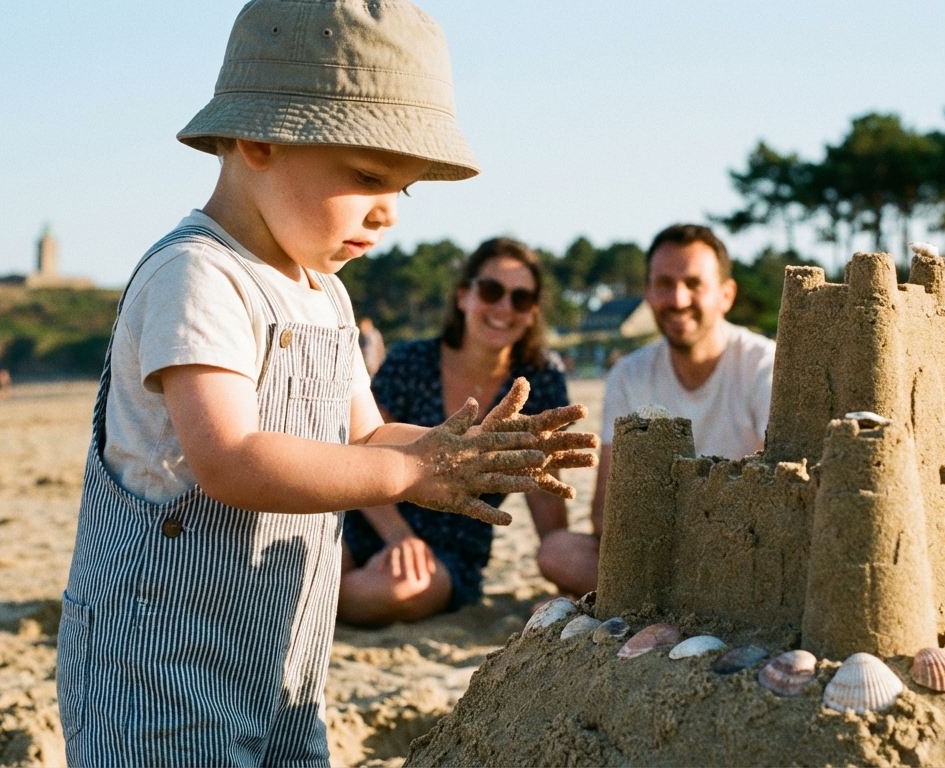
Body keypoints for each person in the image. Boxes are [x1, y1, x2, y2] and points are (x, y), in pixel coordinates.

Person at [54, 4, 597, 766]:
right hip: (156, 667)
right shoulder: (198, 274)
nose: (385, 215)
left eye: (401, 192)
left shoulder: (323, 291)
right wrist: (412, 470)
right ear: (261, 138)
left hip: (280, 660)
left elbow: (366, 435)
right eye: (369, 176)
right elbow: (230, 458)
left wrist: (465, 451)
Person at [340, 238, 591, 625]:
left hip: (452, 547)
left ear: (532, 312)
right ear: (463, 296)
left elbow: (542, 481)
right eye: (492, 291)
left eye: (521, 298)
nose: (504, 308)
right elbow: (363, 448)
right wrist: (398, 536)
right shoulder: (411, 361)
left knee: (391, 591)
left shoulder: (541, 377)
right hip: (371, 519)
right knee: (302, 570)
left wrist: (559, 580)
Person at [536, 224, 775, 596]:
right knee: (556, 552)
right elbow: (606, 517)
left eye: (694, 284)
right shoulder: (629, 374)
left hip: (745, 550)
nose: (678, 299)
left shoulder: (763, 364)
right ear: (647, 292)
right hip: (663, 557)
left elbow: (785, 486)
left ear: (726, 295)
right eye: (664, 283)